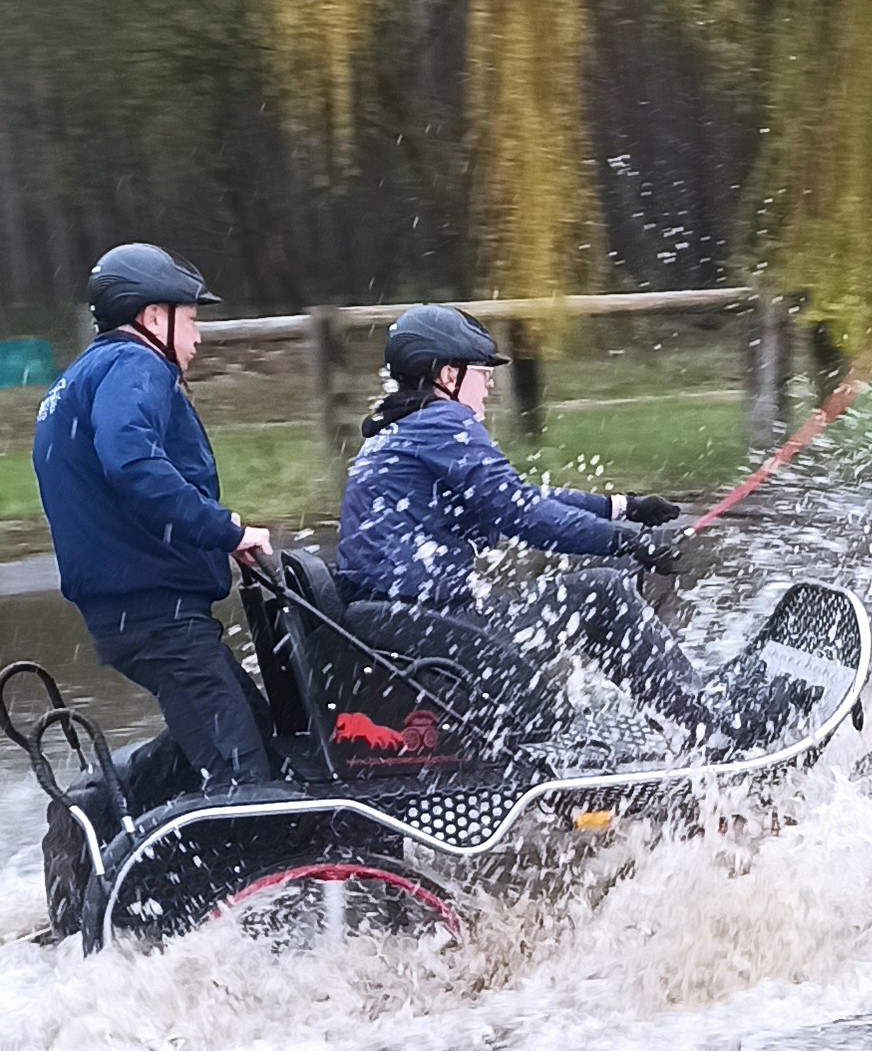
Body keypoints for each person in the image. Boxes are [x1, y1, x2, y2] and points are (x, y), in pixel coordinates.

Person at [334, 305, 723, 739]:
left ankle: (686, 718)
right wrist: (625, 543)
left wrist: (621, 507)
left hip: (415, 628)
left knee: (593, 593)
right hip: (436, 637)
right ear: (448, 376)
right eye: (483, 373)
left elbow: (520, 498)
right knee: (602, 593)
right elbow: (520, 514)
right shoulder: (443, 422)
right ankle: (709, 724)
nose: (488, 387)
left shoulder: (399, 430)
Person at [32, 244, 278, 789]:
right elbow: (133, 464)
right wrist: (224, 529)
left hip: (134, 612)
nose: (197, 338)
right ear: (152, 318)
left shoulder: (80, 377)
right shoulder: (135, 364)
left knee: (258, 735)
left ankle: (107, 812)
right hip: (158, 617)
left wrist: (217, 531)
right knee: (251, 786)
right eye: (190, 320)